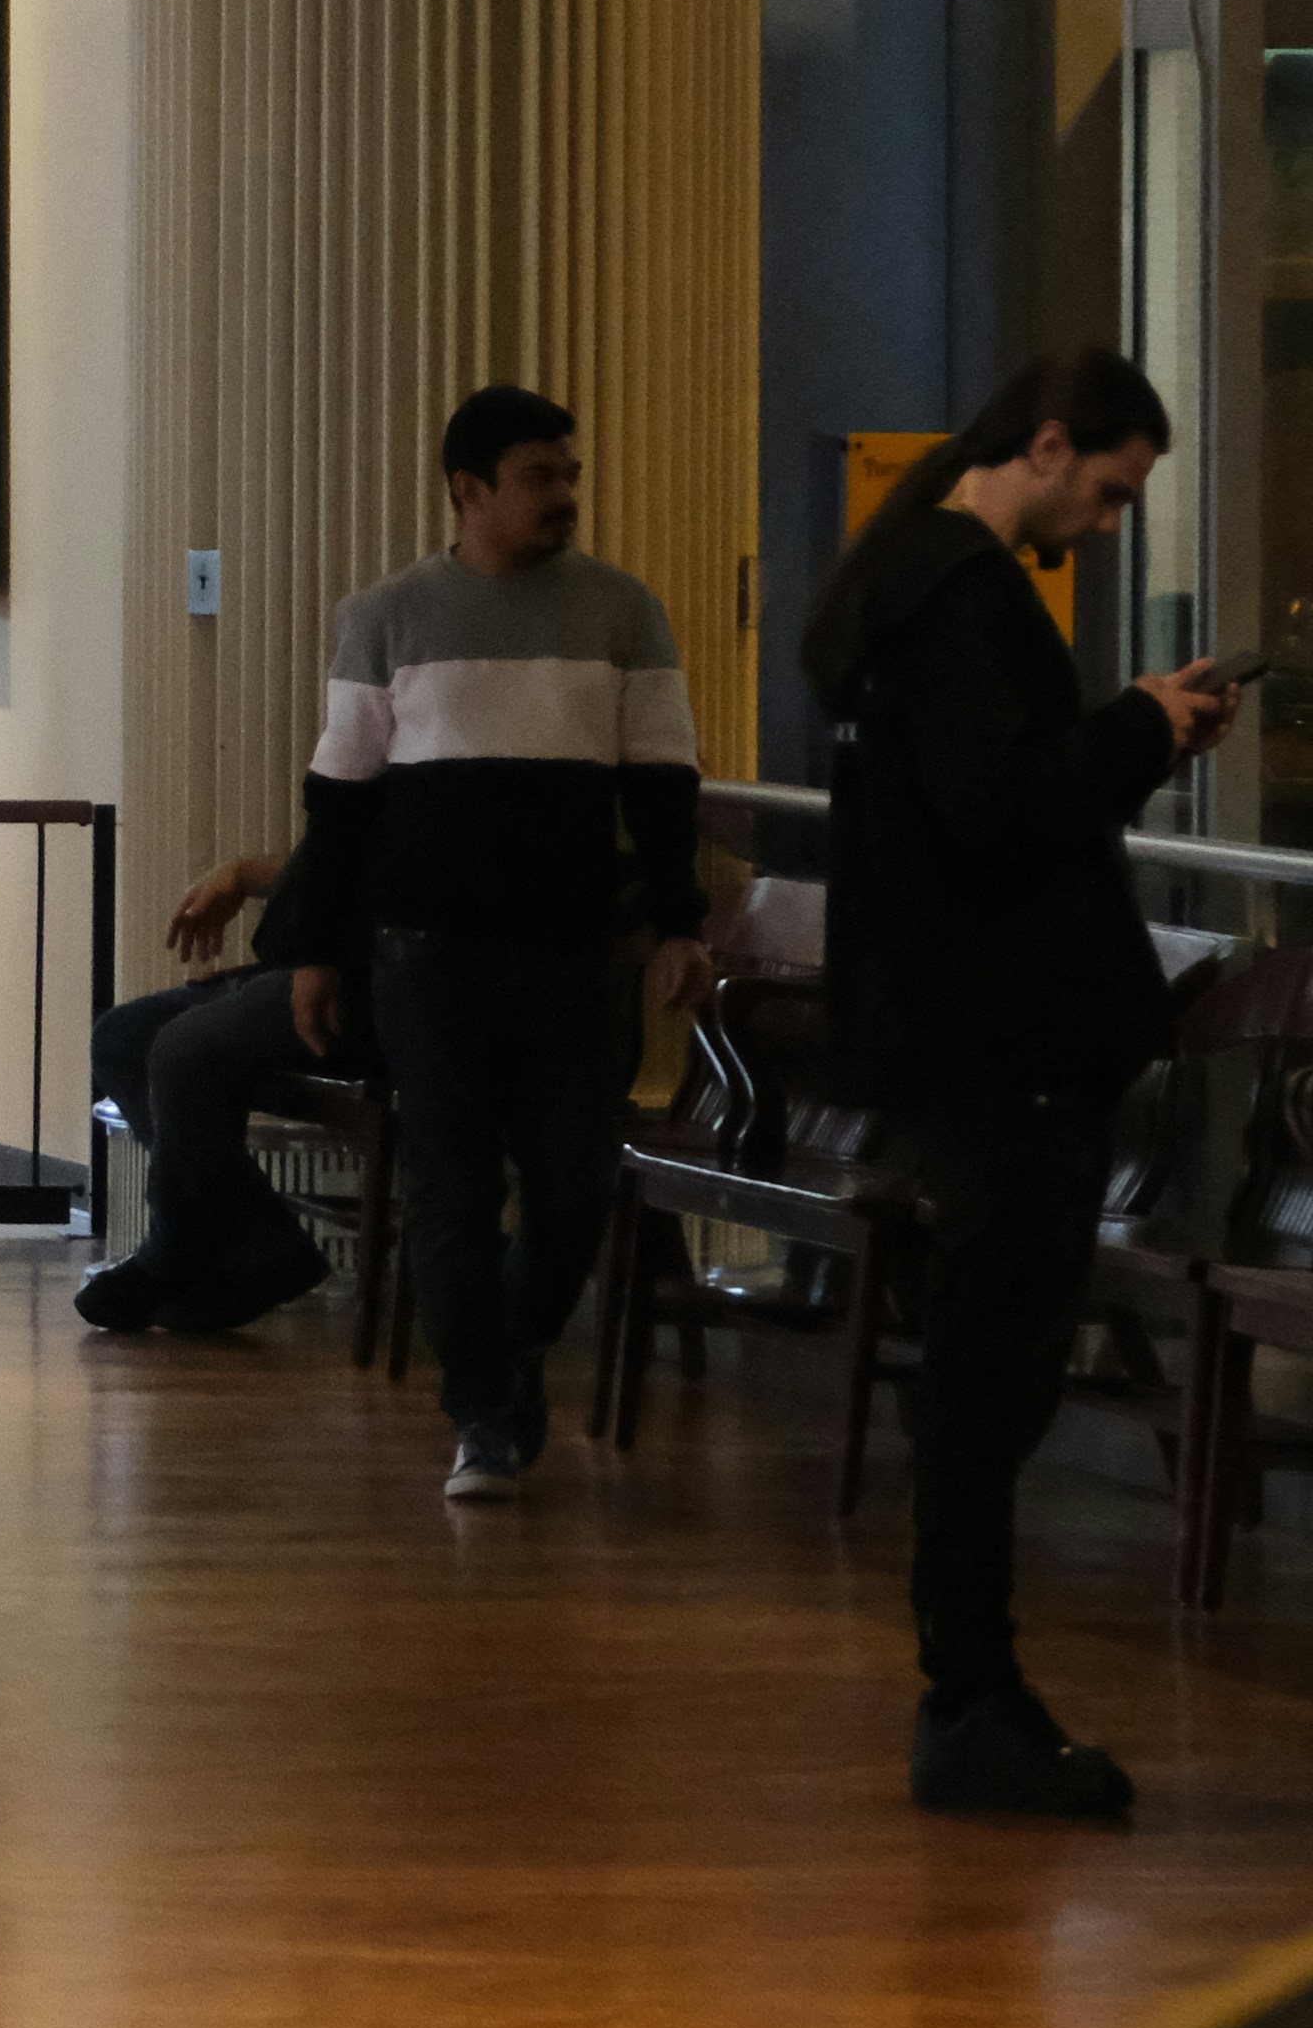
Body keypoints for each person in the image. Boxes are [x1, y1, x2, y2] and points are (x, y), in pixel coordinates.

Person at [807, 349, 1238, 1819]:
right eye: (1111, 492)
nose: (1109, 526)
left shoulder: (898, 588)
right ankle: (971, 1701)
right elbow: (1002, 814)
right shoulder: (969, 593)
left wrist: (1126, 729)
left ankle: (974, 1692)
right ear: (1049, 446)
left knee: (983, 1380)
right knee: (993, 1385)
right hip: (1009, 1050)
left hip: (953, 1041)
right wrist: (1136, 732)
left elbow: (972, 799)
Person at [279, 382, 710, 1505]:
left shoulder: (622, 610)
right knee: (451, 1189)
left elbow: (664, 781)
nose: (566, 495)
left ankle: (504, 1352)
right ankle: (483, 1408)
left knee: (576, 1183)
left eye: (570, 474)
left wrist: (679, 919)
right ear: (469, 489)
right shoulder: (385, 615)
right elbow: (341, 802)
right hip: (428, 955)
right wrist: (317, 952)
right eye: (540, 477)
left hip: (570, 950)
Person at [72, 845, 359, 1335]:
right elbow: (339, 854)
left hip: (366, 972)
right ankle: (262, 1240)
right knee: (123, 1038)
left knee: (182, 1048)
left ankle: (176, 1246)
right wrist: (244, 873)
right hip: (301, 960)